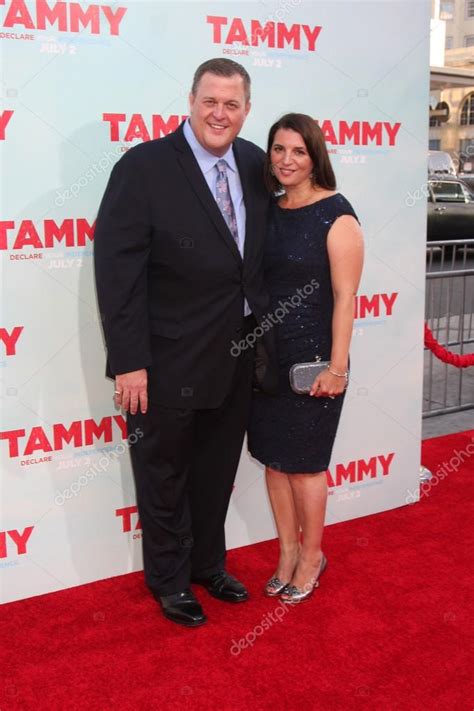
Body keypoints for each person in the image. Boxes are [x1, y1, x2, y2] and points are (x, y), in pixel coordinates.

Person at [93, 58, 276, 627]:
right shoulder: (143, 166)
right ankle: (169, 580)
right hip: (165, 359)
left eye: (232, 104)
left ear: (247, 110)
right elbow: (117, 272)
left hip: (238, 352)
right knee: (164, 471)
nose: (220, 114)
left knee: (216, 469)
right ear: (190, 101)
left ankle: (207, 563)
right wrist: (130, 363)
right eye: (210, 102)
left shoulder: (253, 163)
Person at [248, 113, 364, 603]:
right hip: (267, 359)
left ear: (315, 155)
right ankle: (287, 554)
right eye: (278, 149)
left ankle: (312, 556)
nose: (286, 159)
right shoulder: (267, 209)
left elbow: (346, 297)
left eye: (298, 150)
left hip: (315, 362)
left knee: (306, 466)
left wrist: (337, 367)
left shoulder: (337, 215)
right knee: (275, 464)